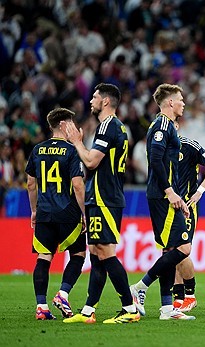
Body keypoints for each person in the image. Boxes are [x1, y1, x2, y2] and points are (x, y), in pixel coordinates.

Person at [62, 83, 139, 324]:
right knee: (95, 253)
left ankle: (130, 308)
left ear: (106, 101)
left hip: (105, 196)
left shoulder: (108, 126)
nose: (91, 100)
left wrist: (76, 141)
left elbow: (92, 161)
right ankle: (88, 311)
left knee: (105, 252)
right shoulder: (116, 127)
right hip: (101, 196)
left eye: (95, 96)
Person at [129, 84, 195, 321]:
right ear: (169, 103)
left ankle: (167, 309)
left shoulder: (167, 127)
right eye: (180, 99)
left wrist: (177, 196)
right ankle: (139, 287)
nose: (183, 103)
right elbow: (155, 160)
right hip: (161, 194)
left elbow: (166, 164)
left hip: (167, 194)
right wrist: (169, 191)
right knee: (183, 248)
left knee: (169, 249)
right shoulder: (161, 126)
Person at [26, 108, 86, 320]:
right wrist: (84, 213)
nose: (73, 128)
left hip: (44, 213)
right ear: (62, 125)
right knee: (78, 254)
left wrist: (34, 210)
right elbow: (78, 186)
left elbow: (30, 183)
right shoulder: (71, 151)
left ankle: (41, 306)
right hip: (67, 212)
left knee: (44, 257)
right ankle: (63, 293)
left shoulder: (37, 150)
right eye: (70, 123)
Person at [172, 120, 205, 312]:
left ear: (176, 127)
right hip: (169, 208)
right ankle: (178, 299)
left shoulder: (189, 146)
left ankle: (190, 296)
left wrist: (200, 190)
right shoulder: (159, 149)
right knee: (171, 253)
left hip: (187, 206)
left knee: (182, 251)